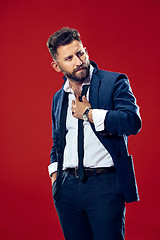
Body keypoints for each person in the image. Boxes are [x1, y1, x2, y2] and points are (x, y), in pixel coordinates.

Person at [46, 27, 142, 240]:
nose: (78, 61)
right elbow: (58, 141)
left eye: (80, 53)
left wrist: (89, 113)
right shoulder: (58, 97)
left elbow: (132, 122)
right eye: (69, 58)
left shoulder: (113, 82)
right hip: (67, 189)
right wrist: (55, 176)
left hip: (105, 186)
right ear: (57, 65)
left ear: (86, 50)